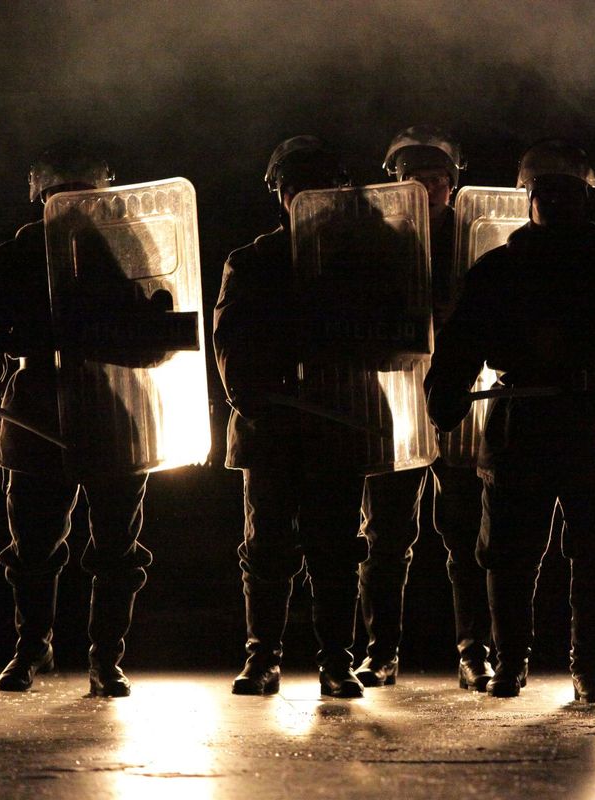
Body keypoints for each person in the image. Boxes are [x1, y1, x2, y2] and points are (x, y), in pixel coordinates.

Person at [425, 139, 595, 703]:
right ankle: (510, 661)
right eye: (547, 191)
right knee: (508, 554)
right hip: (520, 422)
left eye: (567, 191)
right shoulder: (499, 268)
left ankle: (588, 667)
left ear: (584, 196)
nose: (556, 201)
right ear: (529, 196)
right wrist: (444, 389)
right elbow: (463, 341)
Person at [0, 143, 151, 697]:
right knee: (33, 550)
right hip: (37, 413)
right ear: (42, 197)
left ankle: (106, 657)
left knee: (116, 549)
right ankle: (31, 646)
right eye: (62, 194)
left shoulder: (129, 250)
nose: (72, 204)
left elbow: (161, 327)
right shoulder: (13, 259)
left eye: (82, 194)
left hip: (115, 411)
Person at [214, 135, 367, 699]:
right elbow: (229, 342)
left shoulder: (361, 258)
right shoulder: (252, 261)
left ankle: (337, 662)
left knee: (336, 548)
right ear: (279, 193)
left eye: (315, 185)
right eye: (294, 186)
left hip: (337, 424)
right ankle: (262, 659)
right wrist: (253, 395)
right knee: (267, 550)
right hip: (272, 429)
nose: (303, 195)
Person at [383, 126, 494, 690]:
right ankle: (379, 651)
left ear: (452, 185)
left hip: (458, 398)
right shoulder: (379, 237)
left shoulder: (477, 237)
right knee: (385, 533)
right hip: (396, 398)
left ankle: (474, 650)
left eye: (437, 179)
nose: (429, 189)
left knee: (467, 532)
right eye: (417, 179)